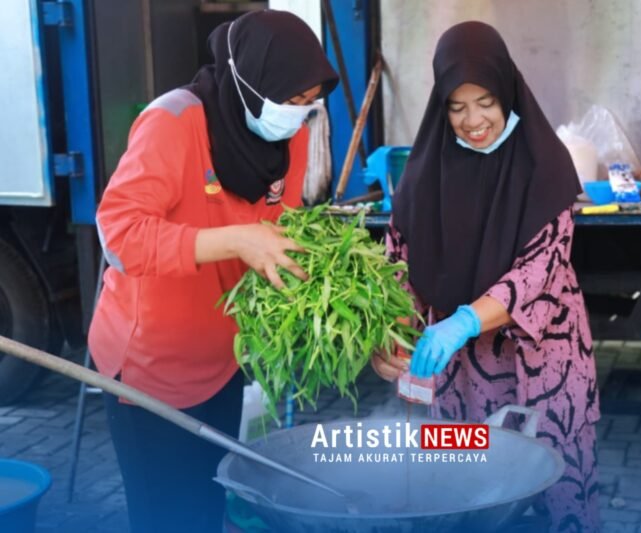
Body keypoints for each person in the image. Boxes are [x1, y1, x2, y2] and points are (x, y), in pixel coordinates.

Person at [87, 10, 338, 533]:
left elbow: (277, 231)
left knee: (206, 509)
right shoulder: (173, 123)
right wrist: (233, 240)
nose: (298, 115)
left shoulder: (287, 137)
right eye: (290, 101)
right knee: (166, 518)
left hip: (222, 363)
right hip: (150, 373)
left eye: (307, 101)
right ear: (249, 80)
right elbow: (118, 233)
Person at [371, 21, 600, 532]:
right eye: (457, 106)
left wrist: (463, 321)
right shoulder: (423, 174)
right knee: (463, 498)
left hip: (542, 369)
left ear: (508, 92)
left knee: (552, 491)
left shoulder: (545, 165)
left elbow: (541, 268)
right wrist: (389, 337)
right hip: (459, 378)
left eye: (486, 102)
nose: (473, 120)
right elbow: (397, 267)